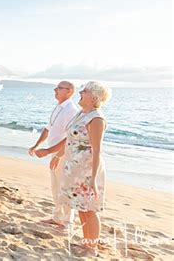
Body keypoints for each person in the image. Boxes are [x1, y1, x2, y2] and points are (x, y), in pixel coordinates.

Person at [40, 81, 111, 255]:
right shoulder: (81, 114)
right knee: (80, 206)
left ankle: (91, 247)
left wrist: (93, 178)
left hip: (87, 171)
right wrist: (55, 154)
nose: (80, 92)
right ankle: (87, 242)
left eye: (84, 91)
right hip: (74, 170)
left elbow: (96, 150)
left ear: (94, 96)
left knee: (90, 209)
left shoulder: (96, 119)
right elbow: (70, 140)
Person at [28, 81, 78, 229]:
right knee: (55, 186)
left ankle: (67, 222)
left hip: (64, 153)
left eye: (59, 88)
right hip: (54, 152)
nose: (55, 90)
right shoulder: (59, 107)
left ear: (69, 91)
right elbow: (48, 128)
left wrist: (53, 153)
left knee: (65, 187)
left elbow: (70, 137)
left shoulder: (71, 110)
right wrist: (37, 145)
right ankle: (57, 217)